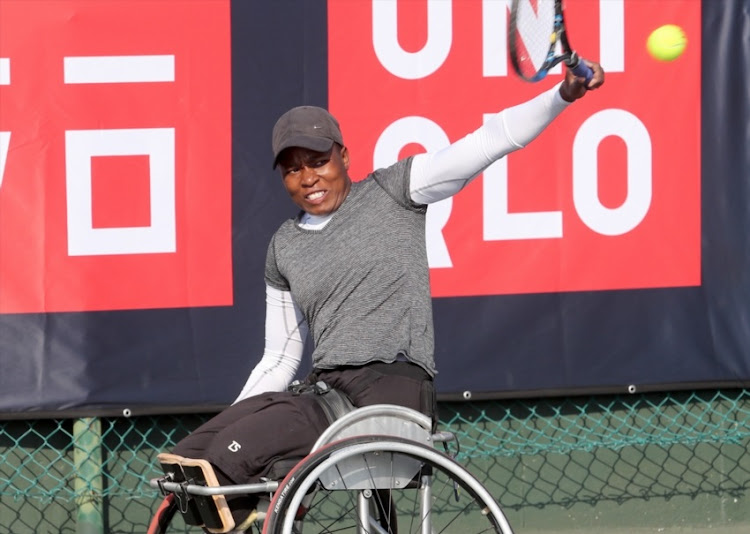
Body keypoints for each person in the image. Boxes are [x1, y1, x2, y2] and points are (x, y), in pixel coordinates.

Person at [169, 63, 605, 531]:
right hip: (323, 395)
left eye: (318, 161)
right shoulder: (283, 245)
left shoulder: (394, 191)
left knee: (233, 455)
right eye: (292, 170)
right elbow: (278, 359)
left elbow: (487, 142)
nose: (308, 178)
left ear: (344, 157)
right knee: (193, 457)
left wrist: (562, 94)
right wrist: (236, 418)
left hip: (390, 389)